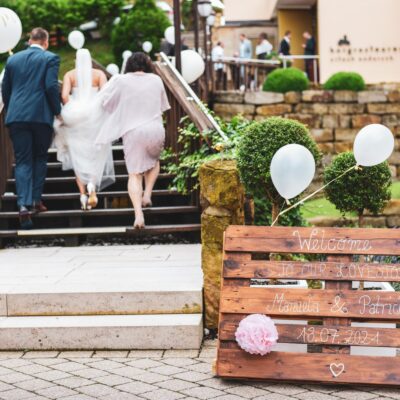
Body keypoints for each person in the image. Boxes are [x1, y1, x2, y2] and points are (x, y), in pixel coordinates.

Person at [96, 52, 170, 229]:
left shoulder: (121, 80)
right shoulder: (156, 80)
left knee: (134, 174)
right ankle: (148, 195)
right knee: (154, 161)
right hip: (155, 129)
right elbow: (163, 106)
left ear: (129, 65)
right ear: (147, 65)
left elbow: (107, 104)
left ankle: (138, 215)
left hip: (133, 132)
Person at [1, 28, 61, 229]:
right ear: (45, 42)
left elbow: (5, 89)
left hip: (17, 117)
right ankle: (35, 200)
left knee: (23, 160)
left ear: (29, 40)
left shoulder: (12, 60)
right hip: (40, 115)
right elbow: (51, 86)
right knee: (40, 157)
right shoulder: (50, 58)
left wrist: (13, 110)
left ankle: (23, 206)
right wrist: (57, 110)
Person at [54, 49, 115, 210]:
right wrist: (94, 108)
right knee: (95, 154)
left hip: (76, 122)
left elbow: (65, 96)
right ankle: (92, 186)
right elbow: (105, 94)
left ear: (76, 60)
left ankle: (82, 195)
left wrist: (75, 109)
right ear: (90, 60)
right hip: (95, 120)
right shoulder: (99, 75)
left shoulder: (70, 75)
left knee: (78, 156)